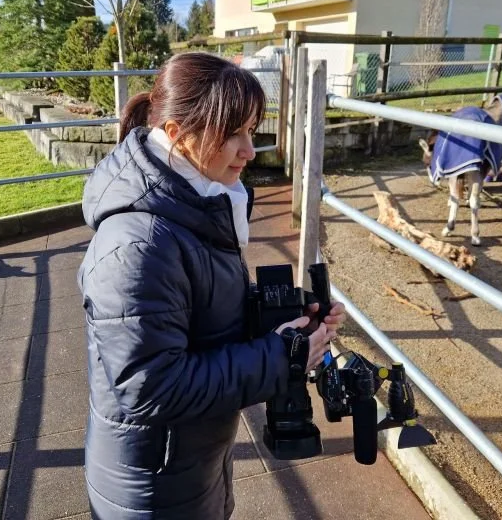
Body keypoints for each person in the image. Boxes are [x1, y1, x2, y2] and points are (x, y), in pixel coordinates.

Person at [76, 51, 346, 519]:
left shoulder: (197, 202)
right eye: (232, 133)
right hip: (153, 488)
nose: (249, 149)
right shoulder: (139, 245)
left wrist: (291, 318)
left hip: (188, 462)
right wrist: (281, 354)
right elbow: (151, 389)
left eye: (251, 130)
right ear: (177, 134)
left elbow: (201, 317)